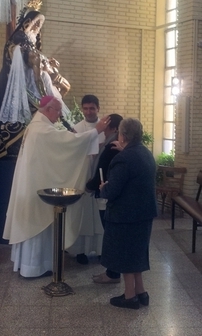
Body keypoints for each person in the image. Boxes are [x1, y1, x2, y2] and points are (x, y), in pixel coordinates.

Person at [0, 0, 71, 243]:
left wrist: (46, 66)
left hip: (33, 93)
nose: (36, 29)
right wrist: (36, 62)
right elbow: (22, 73)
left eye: (39, 26)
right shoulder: (16, 45)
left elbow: (39, 75)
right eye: (33, 24)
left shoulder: (31, 47)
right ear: (25, 24)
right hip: (14, 97)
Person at [3, 96, 110, 277]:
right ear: (48, 109)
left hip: (33, 184)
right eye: (58, 110)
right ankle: (34, 267)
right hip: (35, 187)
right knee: (38, 225)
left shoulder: (37, 126)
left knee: (37, 224)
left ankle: (32, 265)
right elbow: (68, 144)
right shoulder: (41, 130)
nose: (60, 115)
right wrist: (94, 133)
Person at [99, 118, 157, 309]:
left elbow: (113, 190)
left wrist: (103, 188)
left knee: (126, 255)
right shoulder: (147, 153)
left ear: (122, 135)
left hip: (125, 215)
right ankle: (141, 292)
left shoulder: (123, 158)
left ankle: (130, 296)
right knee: (137, 254)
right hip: (144, 213)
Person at [67, 95, 106, 264]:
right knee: (84, 216)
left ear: (98, 108)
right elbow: (72, 151)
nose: (89, 112)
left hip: (101, 177)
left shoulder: (106, 127)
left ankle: (101, 250)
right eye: (86, 108)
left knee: (101, 216)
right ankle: (80, 251)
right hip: (83, 176)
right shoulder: (77, 128)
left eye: (92, 108)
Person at [86, 113, 123, 284]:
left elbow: (103, 169)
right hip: (112, 196)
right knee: (112, 235)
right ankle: (113, 272)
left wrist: (89, 186)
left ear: (113, 128)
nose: (102, 126)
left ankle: (112, 274)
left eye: (105, 124)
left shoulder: (112, 146)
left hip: (106, 197)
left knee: (111, 236)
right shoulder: (112, 144)